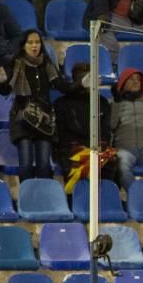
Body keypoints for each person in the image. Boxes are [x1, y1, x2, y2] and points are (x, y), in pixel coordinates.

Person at [0, 29, 72, 182]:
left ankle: (42, 200)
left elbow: (62, 86)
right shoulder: (16, 64)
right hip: (22, 118)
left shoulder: (47, 64)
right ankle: (26, 198)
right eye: (30, 42)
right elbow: (6, 90)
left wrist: (81, 85)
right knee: (26, 165)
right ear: (23, 45)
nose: (34, 46)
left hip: (43, 119)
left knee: (44, 165)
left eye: (37, 42)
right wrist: (2, 82)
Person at [54, 63, 117, 193]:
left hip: (96, 147)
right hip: (71, 149)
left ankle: (105, 200)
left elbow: (105, 130)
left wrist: (102, 144)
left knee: (111, 160)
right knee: (79, 163)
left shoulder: (102, 102)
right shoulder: (62, 103)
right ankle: (74, 201)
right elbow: (61, 133)